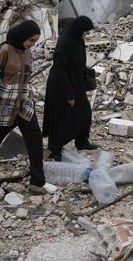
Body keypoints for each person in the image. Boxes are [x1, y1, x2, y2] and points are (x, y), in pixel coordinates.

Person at [0, 20, 56, 194]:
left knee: (34, 140)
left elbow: (26, 77)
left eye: (35, 41)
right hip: (4, 106)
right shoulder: (5, 51)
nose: (32, 45)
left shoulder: (26, 53)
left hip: (23, 105)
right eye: (31, 40)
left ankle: (38, 181)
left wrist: (31, 93)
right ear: (22, 36)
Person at [43, 15, 97, 161]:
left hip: (75, 82)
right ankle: (54, 149)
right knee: (60, 118)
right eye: (85, 31)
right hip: (61, 85)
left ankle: (82, 142)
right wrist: (69, 95)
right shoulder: (64, 44)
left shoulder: (77, 41)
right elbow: (60, 71)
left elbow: (78, 62)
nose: (86, 34)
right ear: (78, 29)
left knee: (85, 111)